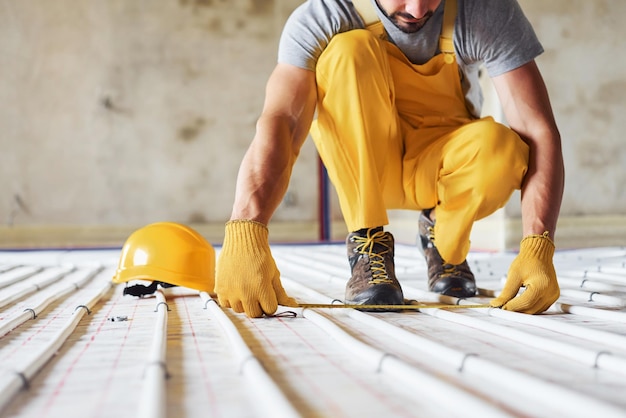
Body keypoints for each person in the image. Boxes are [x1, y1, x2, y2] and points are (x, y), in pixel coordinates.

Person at [214, 0, 564, 318]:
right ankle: (368, 246)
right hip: (367, 172)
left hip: (442, 170)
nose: (416, 10)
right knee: (347, 49)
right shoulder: (323, 16)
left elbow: (537, 129)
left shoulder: (484, 11)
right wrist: (247, 226)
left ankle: (441, 235)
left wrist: (538, 245)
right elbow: (283, 122)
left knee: (501, 148)